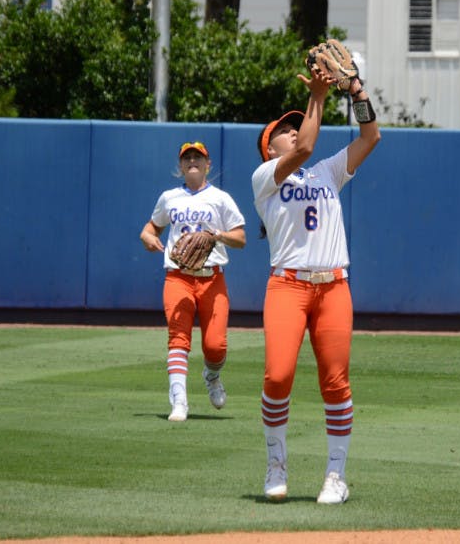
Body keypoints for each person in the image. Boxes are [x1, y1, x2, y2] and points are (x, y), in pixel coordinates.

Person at [251, 56, 381, 504]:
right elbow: (303, 147)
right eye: (283, 130)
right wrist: (318, 97)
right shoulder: (265, 177)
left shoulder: (326, 172)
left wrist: (357, 90)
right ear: (269, 149)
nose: (292, 131)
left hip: (333, 287)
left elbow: (371, 137)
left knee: (335, 381)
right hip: (287, 285)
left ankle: (336, 475)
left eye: (294, 125)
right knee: (277, 376)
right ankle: (275, 464)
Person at [140, 141, 247, 422]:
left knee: (215, 346)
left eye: (197, 157)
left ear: (207, 164)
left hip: (212, 278)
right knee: (178, 337)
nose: (192, 162)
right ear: (180, 166)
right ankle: (179, 402)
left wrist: (218, 236)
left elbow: (241, 239)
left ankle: (211, 375)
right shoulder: (169, 197)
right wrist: (149, 238)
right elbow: (150, 229)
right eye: (187, 158)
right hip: (178, 276)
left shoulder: (221, 198)